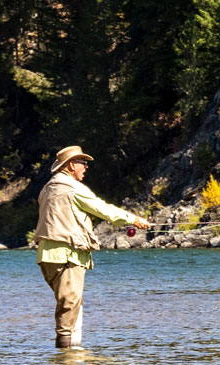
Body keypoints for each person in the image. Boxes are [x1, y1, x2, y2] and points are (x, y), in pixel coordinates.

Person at [33, 146, 148, 349]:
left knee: (69, 304)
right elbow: (102, 209)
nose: (86, 167)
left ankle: (73, 356)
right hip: (68, 255)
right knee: (69, 305)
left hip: (47, 256)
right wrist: (134, 219)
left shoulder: (47, 187)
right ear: (71, 165)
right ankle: (67, 360)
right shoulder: (71, 188)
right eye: (83, 163)